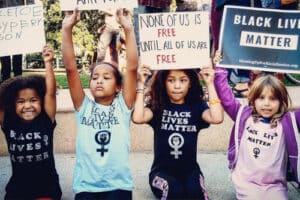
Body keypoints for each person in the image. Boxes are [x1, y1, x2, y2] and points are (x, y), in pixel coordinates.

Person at [62, 7, 138, 200]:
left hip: (118, 185)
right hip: (87, 186)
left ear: (118, 87)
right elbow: (71, 69)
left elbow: (131, 68)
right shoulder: (84, 107)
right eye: (95, 77)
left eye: (106, 77)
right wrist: (66, 29)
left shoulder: (123, 106)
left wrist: (128, 30)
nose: (99, 80)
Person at [213, 52, 300, 199]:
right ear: (253, 99)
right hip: (246, 182)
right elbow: (226, 96)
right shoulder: (243, 115)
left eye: (273, 99)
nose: (266, 103)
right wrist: (220, 67)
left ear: (281, 102)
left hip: (275, 185)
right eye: (261, 98)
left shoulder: (288, 121)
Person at [132, 65, 223, 199]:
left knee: (195, 192)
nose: (177, 86)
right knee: (174, 191)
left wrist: (209, 83)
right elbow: (138, 118)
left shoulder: (196, 106)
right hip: (161, 174)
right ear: (163, 82)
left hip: (190, 171)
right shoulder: (158, 105)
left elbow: (217, 118)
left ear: (190, 83)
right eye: (171, 80)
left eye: (183, 80)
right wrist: (140, 84)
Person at [0, 45, 62, 200]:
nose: (27, 105)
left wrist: (48, 63)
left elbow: (50, 92)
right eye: (20, 102)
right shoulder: (8, 122)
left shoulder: (46, 119)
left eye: (33, 100)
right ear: (12, 105)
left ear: (41, 101)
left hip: (46, 190)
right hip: (17, 190)